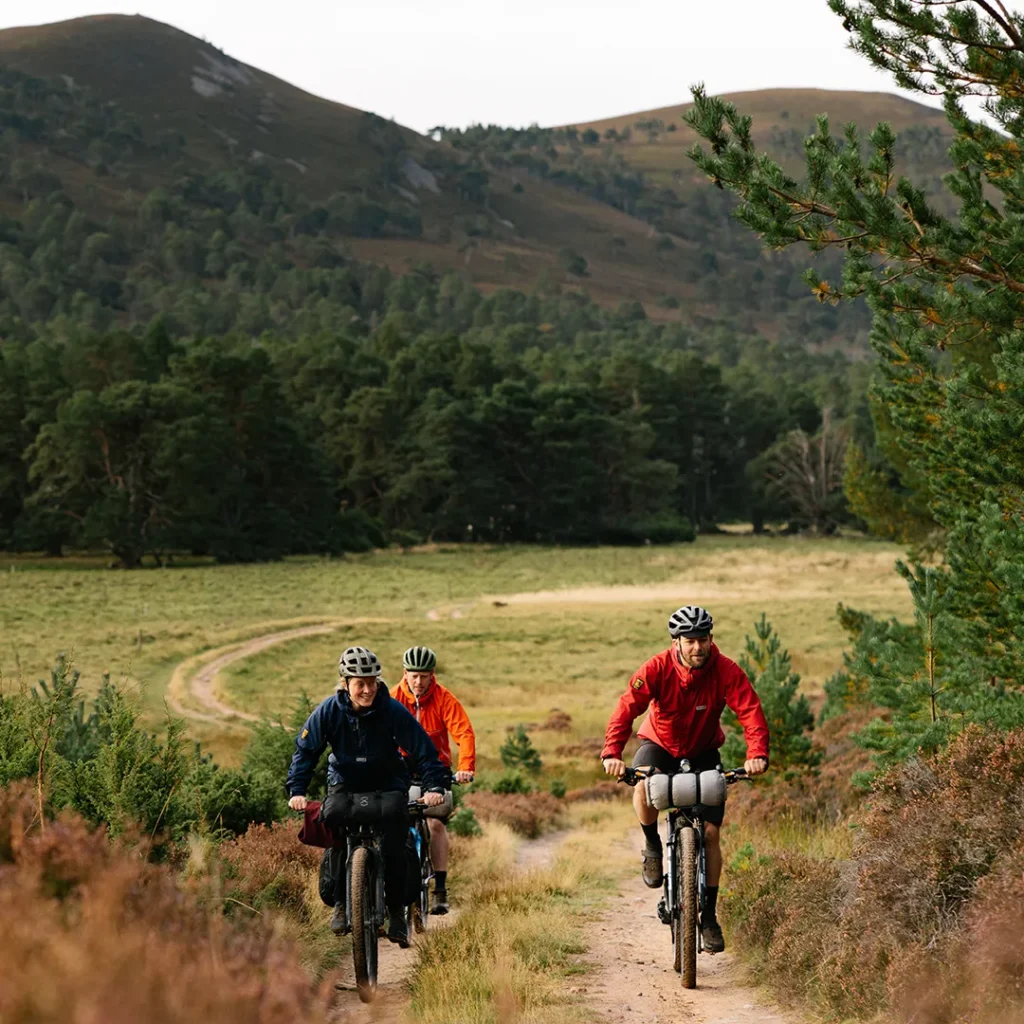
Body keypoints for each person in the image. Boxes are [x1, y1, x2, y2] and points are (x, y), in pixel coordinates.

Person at [601, 605, 769, 953]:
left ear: (711, 639)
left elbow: (750, 710)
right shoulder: (656, 668)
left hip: (704, 751)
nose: (697, 648)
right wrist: (611, 754)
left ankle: (708, 916)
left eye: (703, 640)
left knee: (709, 833)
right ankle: (651, 845)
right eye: (689, 641)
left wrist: (757, 754)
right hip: (659, 745)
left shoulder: (725, 670)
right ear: (676, 642)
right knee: (644, 784)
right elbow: (627, 708)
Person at [286, 645, 448, 948]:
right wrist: (297, 790)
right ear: (345, 684)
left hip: (387, 782)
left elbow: (424, 750)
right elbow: (305, 752)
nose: (367, 689)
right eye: (359, 683)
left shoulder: (392, 710)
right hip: (344, 782)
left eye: (372, 681)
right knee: (334, 833)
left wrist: (434, 787)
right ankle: (342, 904)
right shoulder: (329, 711)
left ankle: (397, 912)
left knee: (396, 844)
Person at [392, 645, 476, 915]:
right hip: (400, 768)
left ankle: (440, 888)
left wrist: (465, 767)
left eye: (424, 676)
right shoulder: (392, 698)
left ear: (432, 675)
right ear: (404, 674)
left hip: (436, 768)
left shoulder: (444, 699)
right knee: (393, 824)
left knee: (435, 823)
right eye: (413, 676)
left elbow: (464, 733)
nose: (418, 682)